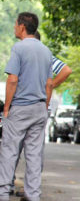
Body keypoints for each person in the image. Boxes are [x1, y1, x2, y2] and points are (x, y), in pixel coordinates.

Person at [9, 30, 73, 198]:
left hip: (25, 108)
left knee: (15, 148)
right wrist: (48, 88)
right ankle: (30, 190)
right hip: (38, 108)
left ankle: (11, 184)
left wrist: (49, 87)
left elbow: (66, 70)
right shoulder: (42, 56)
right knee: (34, 152)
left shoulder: (33, 55)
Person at [0, 12, 53, 201]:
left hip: (21, 107)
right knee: (34, 155)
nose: (14, 27)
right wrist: (43, 106)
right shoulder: (46, 51)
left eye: (15, 24)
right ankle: (33, 196)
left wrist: (7, 107)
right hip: (39, 108)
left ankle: (3, 194)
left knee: (9, 151)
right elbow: (49, 84)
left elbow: (12, 80)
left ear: (22, 26)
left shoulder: (19, 48)